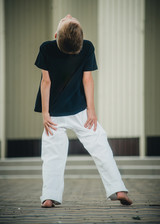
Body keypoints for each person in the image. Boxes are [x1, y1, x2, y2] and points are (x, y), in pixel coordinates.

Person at [34, 14, 133, 208]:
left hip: (54, 113)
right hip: (81, 110)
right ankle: (118, 189)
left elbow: (46, 82)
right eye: (67, 19)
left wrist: (45, 114)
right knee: (101, 147)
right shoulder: (87, 47)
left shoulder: (46, 48)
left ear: (56, 36)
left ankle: (48, 196)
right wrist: (92, 111)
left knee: (53, 155)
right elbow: (87, 80)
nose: (68, 16)